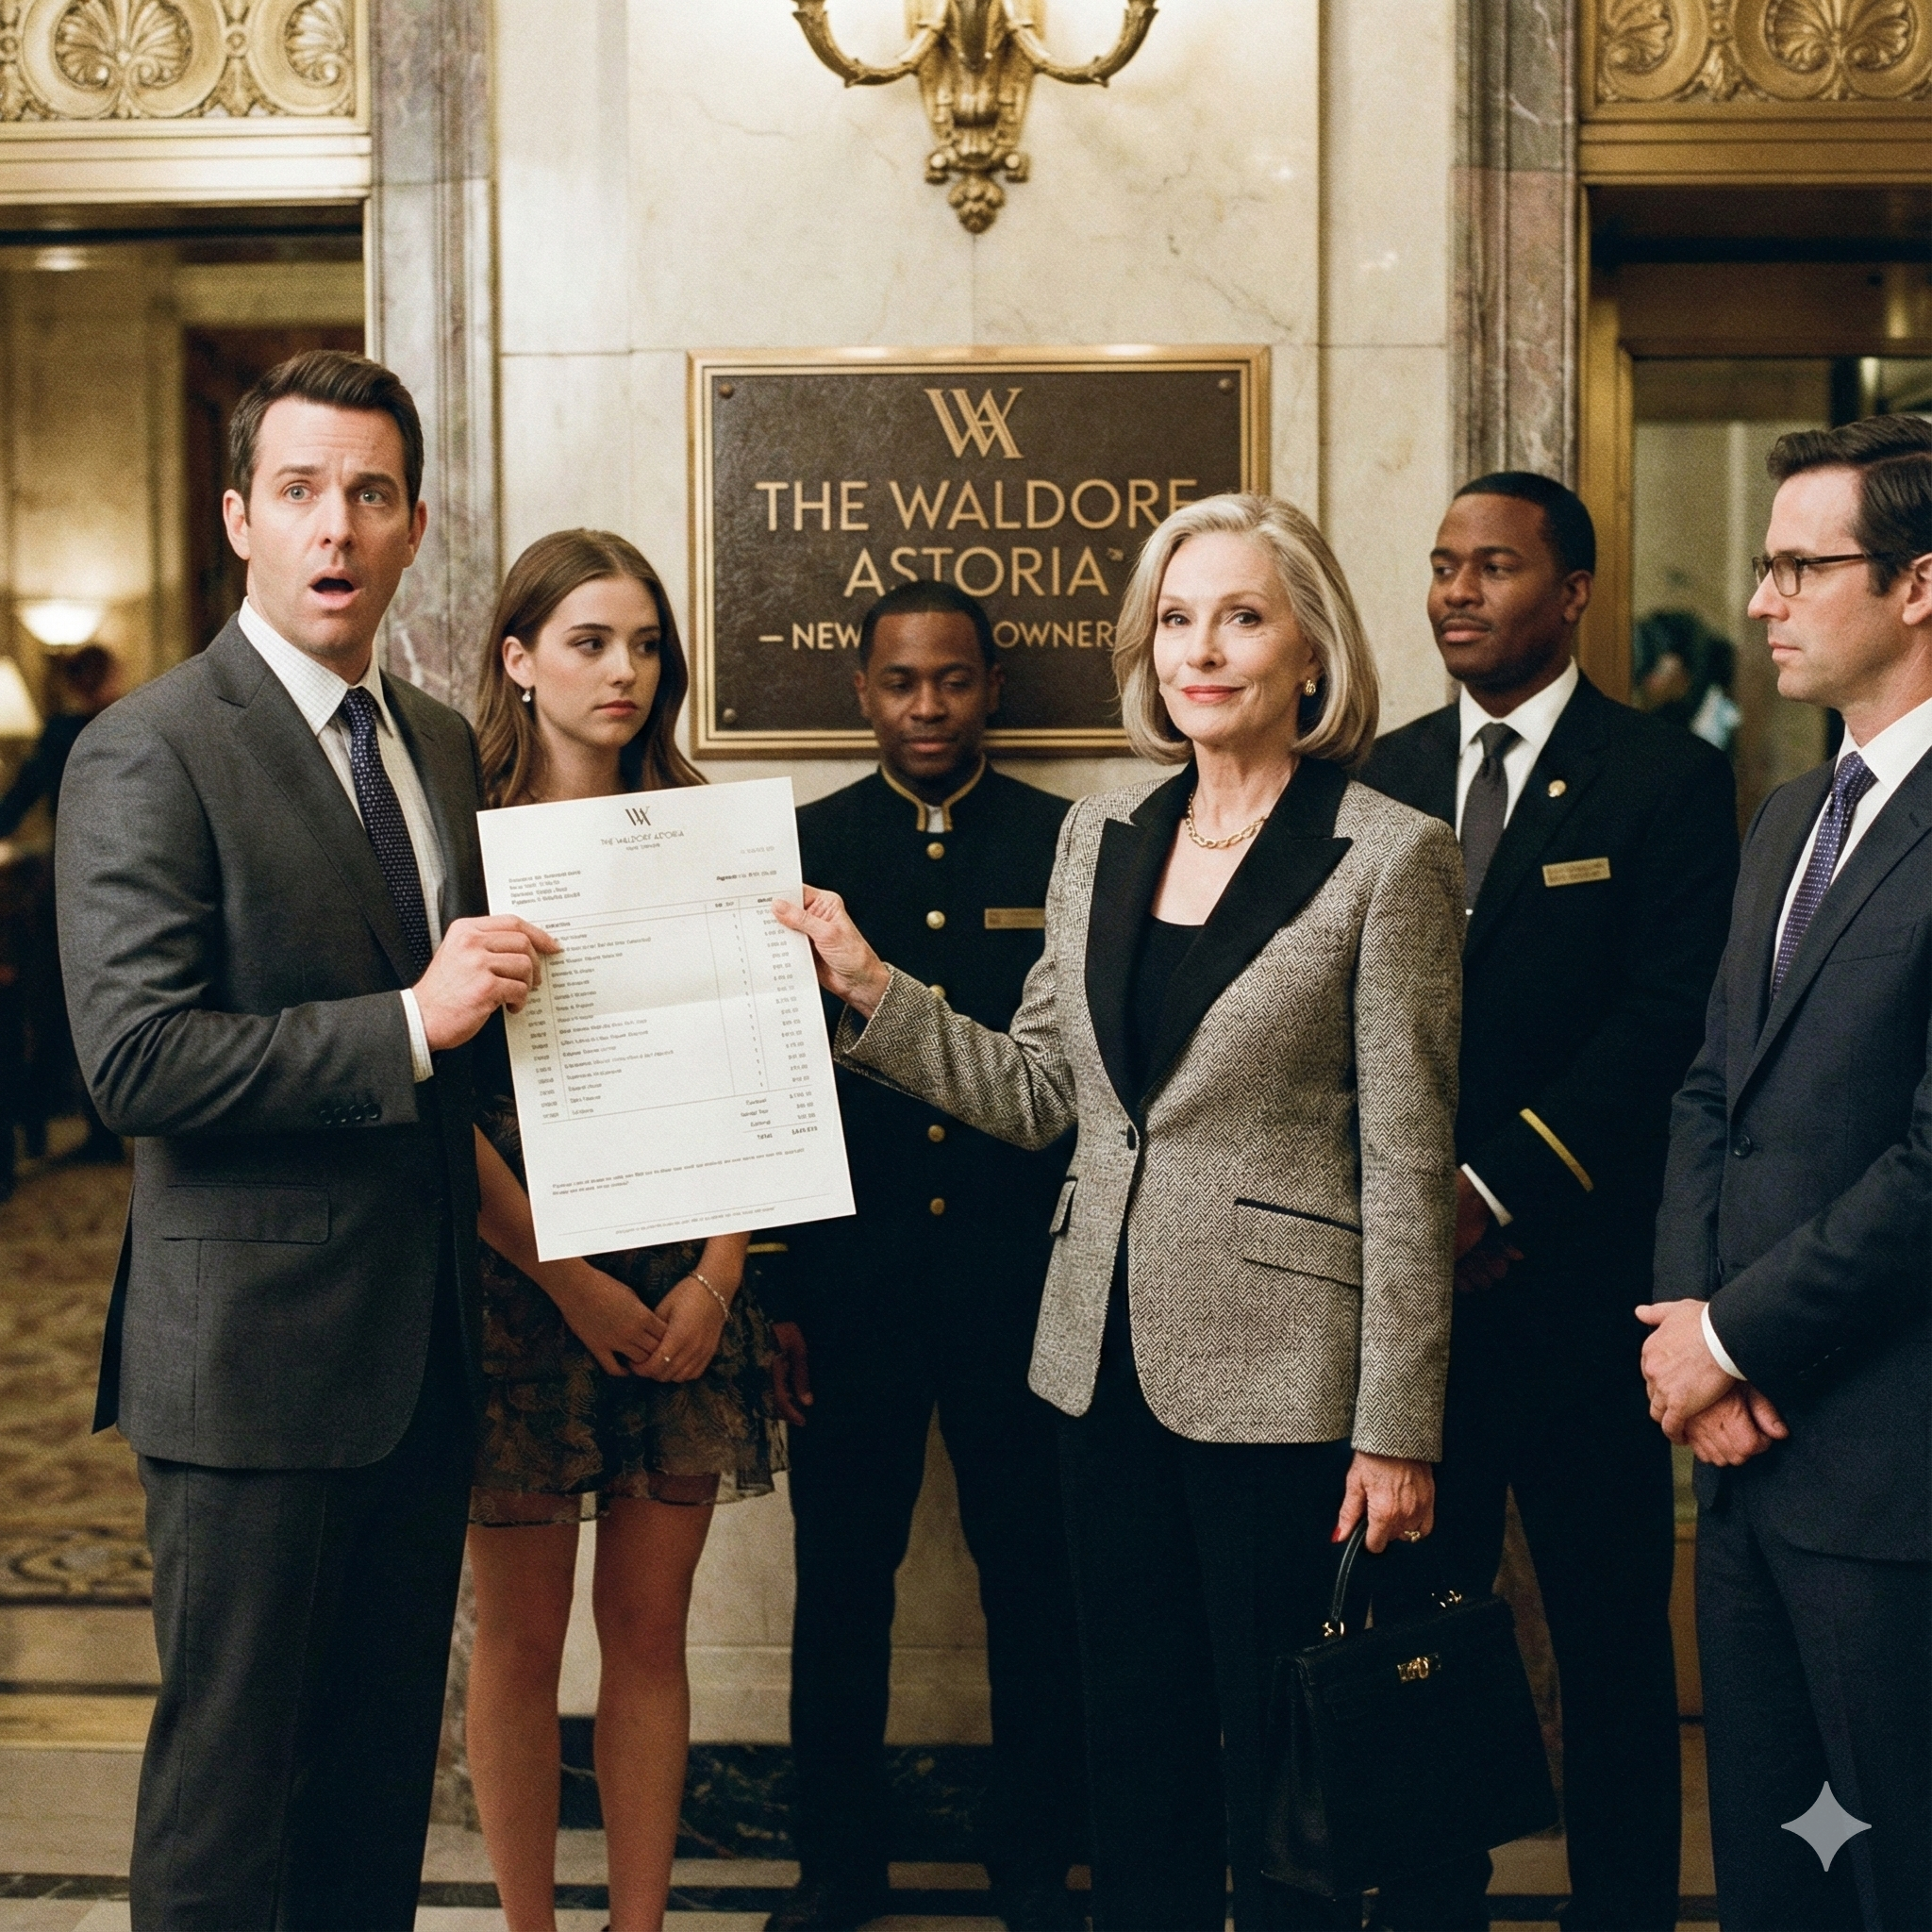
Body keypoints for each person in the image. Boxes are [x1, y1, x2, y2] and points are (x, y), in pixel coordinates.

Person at [776, 492, 1463, 1932]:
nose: (1199, 650)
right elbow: (1043, 1095)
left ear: (1312, 652)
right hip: (1096, 1373)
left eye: (1241, 617)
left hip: (1285, 1385)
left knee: (1284, 1780)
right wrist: (869, 987)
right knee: (1135, 1767)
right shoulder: (1103, 835)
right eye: (1174, 619)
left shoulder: (1389, 853)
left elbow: (1409, 1164)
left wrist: (1398, 1429)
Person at [56, 350, 555, 1930]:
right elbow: (137, 1059)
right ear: (240, 519)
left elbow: (473, 1032)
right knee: (232, 1806)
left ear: (415, 529)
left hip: (420, 1359)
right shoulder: (148, 745)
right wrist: (409, 1020)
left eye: (369, 493)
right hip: (251, 1372)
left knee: (367, 1797)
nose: (335, 525)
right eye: (298, 490)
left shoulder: (438, 742)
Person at [1358, 474, 1738, 1932]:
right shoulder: (1377, 775)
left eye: (1495, 566)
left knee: (1607, 1637)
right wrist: (1421, 1214)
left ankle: (1624, 1907)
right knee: (1415, 1634)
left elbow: (1666, 1022)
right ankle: (1430, 1906)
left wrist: (1493, 1190)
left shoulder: (1664, 778)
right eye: (1443, 563)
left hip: (1580, 1294)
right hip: (1413, 1310)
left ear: (1572, 591)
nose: (1457, 591)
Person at [463, 528, 785, 1932]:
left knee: (650, 1633)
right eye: (591, 641)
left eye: (647, 644)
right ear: (519, 659)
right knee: (522, 1640)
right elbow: (438, 1106)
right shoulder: (457, 843)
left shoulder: (710, 833)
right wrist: (567, 1278)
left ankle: (638, 1926)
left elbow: (762, 1066)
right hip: (519, 1270)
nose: (626, 671)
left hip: (684, 1270)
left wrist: (719, 1275)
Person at [757, 581, 1087, 1932]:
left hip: (1020, 1288)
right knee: (840, 1589)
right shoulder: (803, 850)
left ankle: (1036, 1867)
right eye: (901, 681)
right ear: (862, 691)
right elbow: (770, 1086)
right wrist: (775, 1287)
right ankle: (833, 1869)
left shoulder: (1068, 843)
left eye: (952, 679)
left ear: (993, 686)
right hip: (853, 1289)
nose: (928, 706)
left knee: (1036, 1586)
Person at [1646, 413, 1932, 1932]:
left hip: (1892, 1477)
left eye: (1800, 568)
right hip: (1744, 1463)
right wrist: (1688, 1336)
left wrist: (1735, 1337)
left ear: (1918, 585)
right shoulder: (1785, 817)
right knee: (1776, 1883)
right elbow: (1713, 1094)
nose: (1761, 602)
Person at [0, 643, 126, 1167]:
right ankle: (104, 1124)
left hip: (74, 871)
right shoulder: (129, 723)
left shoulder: (61, 734)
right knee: (115, 995)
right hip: (128, 871)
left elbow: (21, 798)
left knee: (70, 1000)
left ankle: (90, 1125)